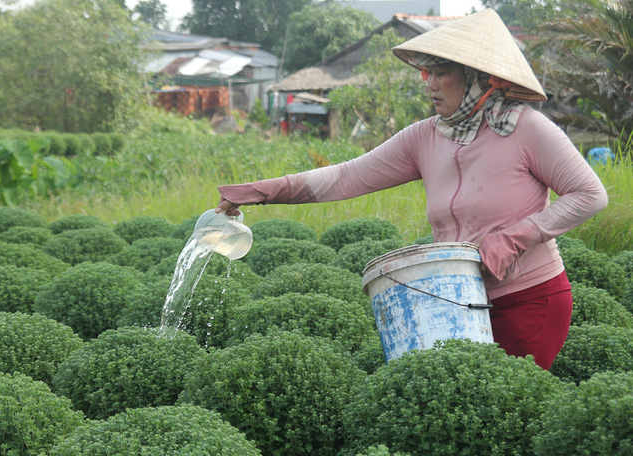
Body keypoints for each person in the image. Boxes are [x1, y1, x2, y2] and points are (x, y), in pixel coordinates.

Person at [214, 9, 608, 370]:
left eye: (441, 73)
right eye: (426, 74)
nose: (430, 85)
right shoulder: (425, 137)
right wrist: (261, 190)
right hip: (457, 299)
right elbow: (346, 177)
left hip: (528, 299)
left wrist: (513, 238)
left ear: (479, 77)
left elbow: (589, 195)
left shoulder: (526, 128)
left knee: (501, 414)